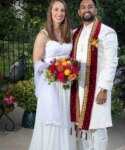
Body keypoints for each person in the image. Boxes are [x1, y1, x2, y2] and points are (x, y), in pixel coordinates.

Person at [70, 0, 118, 149]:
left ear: (96, 10)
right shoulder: (75, 33)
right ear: (78, 11)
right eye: (83, 7)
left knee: (97, 127)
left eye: (90, 7)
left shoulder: (106, 32)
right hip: (78, 88)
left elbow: (111, 62)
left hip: (97, 87)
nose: (86, 10)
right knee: (82, 128)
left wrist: (104, 88)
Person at [29, 0, 76, 150]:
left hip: (66, 84)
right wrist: (54, 71)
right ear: (50, 12)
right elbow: (37, 61)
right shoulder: (43, 35)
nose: (59, 13)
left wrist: (69, 70)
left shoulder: (69, 33)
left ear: (65, 14)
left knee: (66, 118)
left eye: (62, 10)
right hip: (50, 85)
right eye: (56, 9)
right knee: (52, 120)